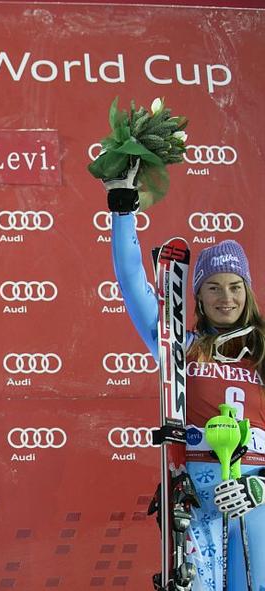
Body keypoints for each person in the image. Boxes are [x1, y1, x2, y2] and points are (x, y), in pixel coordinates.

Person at [105, 166, 263, 590]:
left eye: (235, 286)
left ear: (248, 291)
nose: (226, 297)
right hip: (196, 494)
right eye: (213, 287)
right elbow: (133, 285)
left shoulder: (263, 356)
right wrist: (123, 209)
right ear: (197, 297)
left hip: (254, 499)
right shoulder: (180, 345)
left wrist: (260, 489)